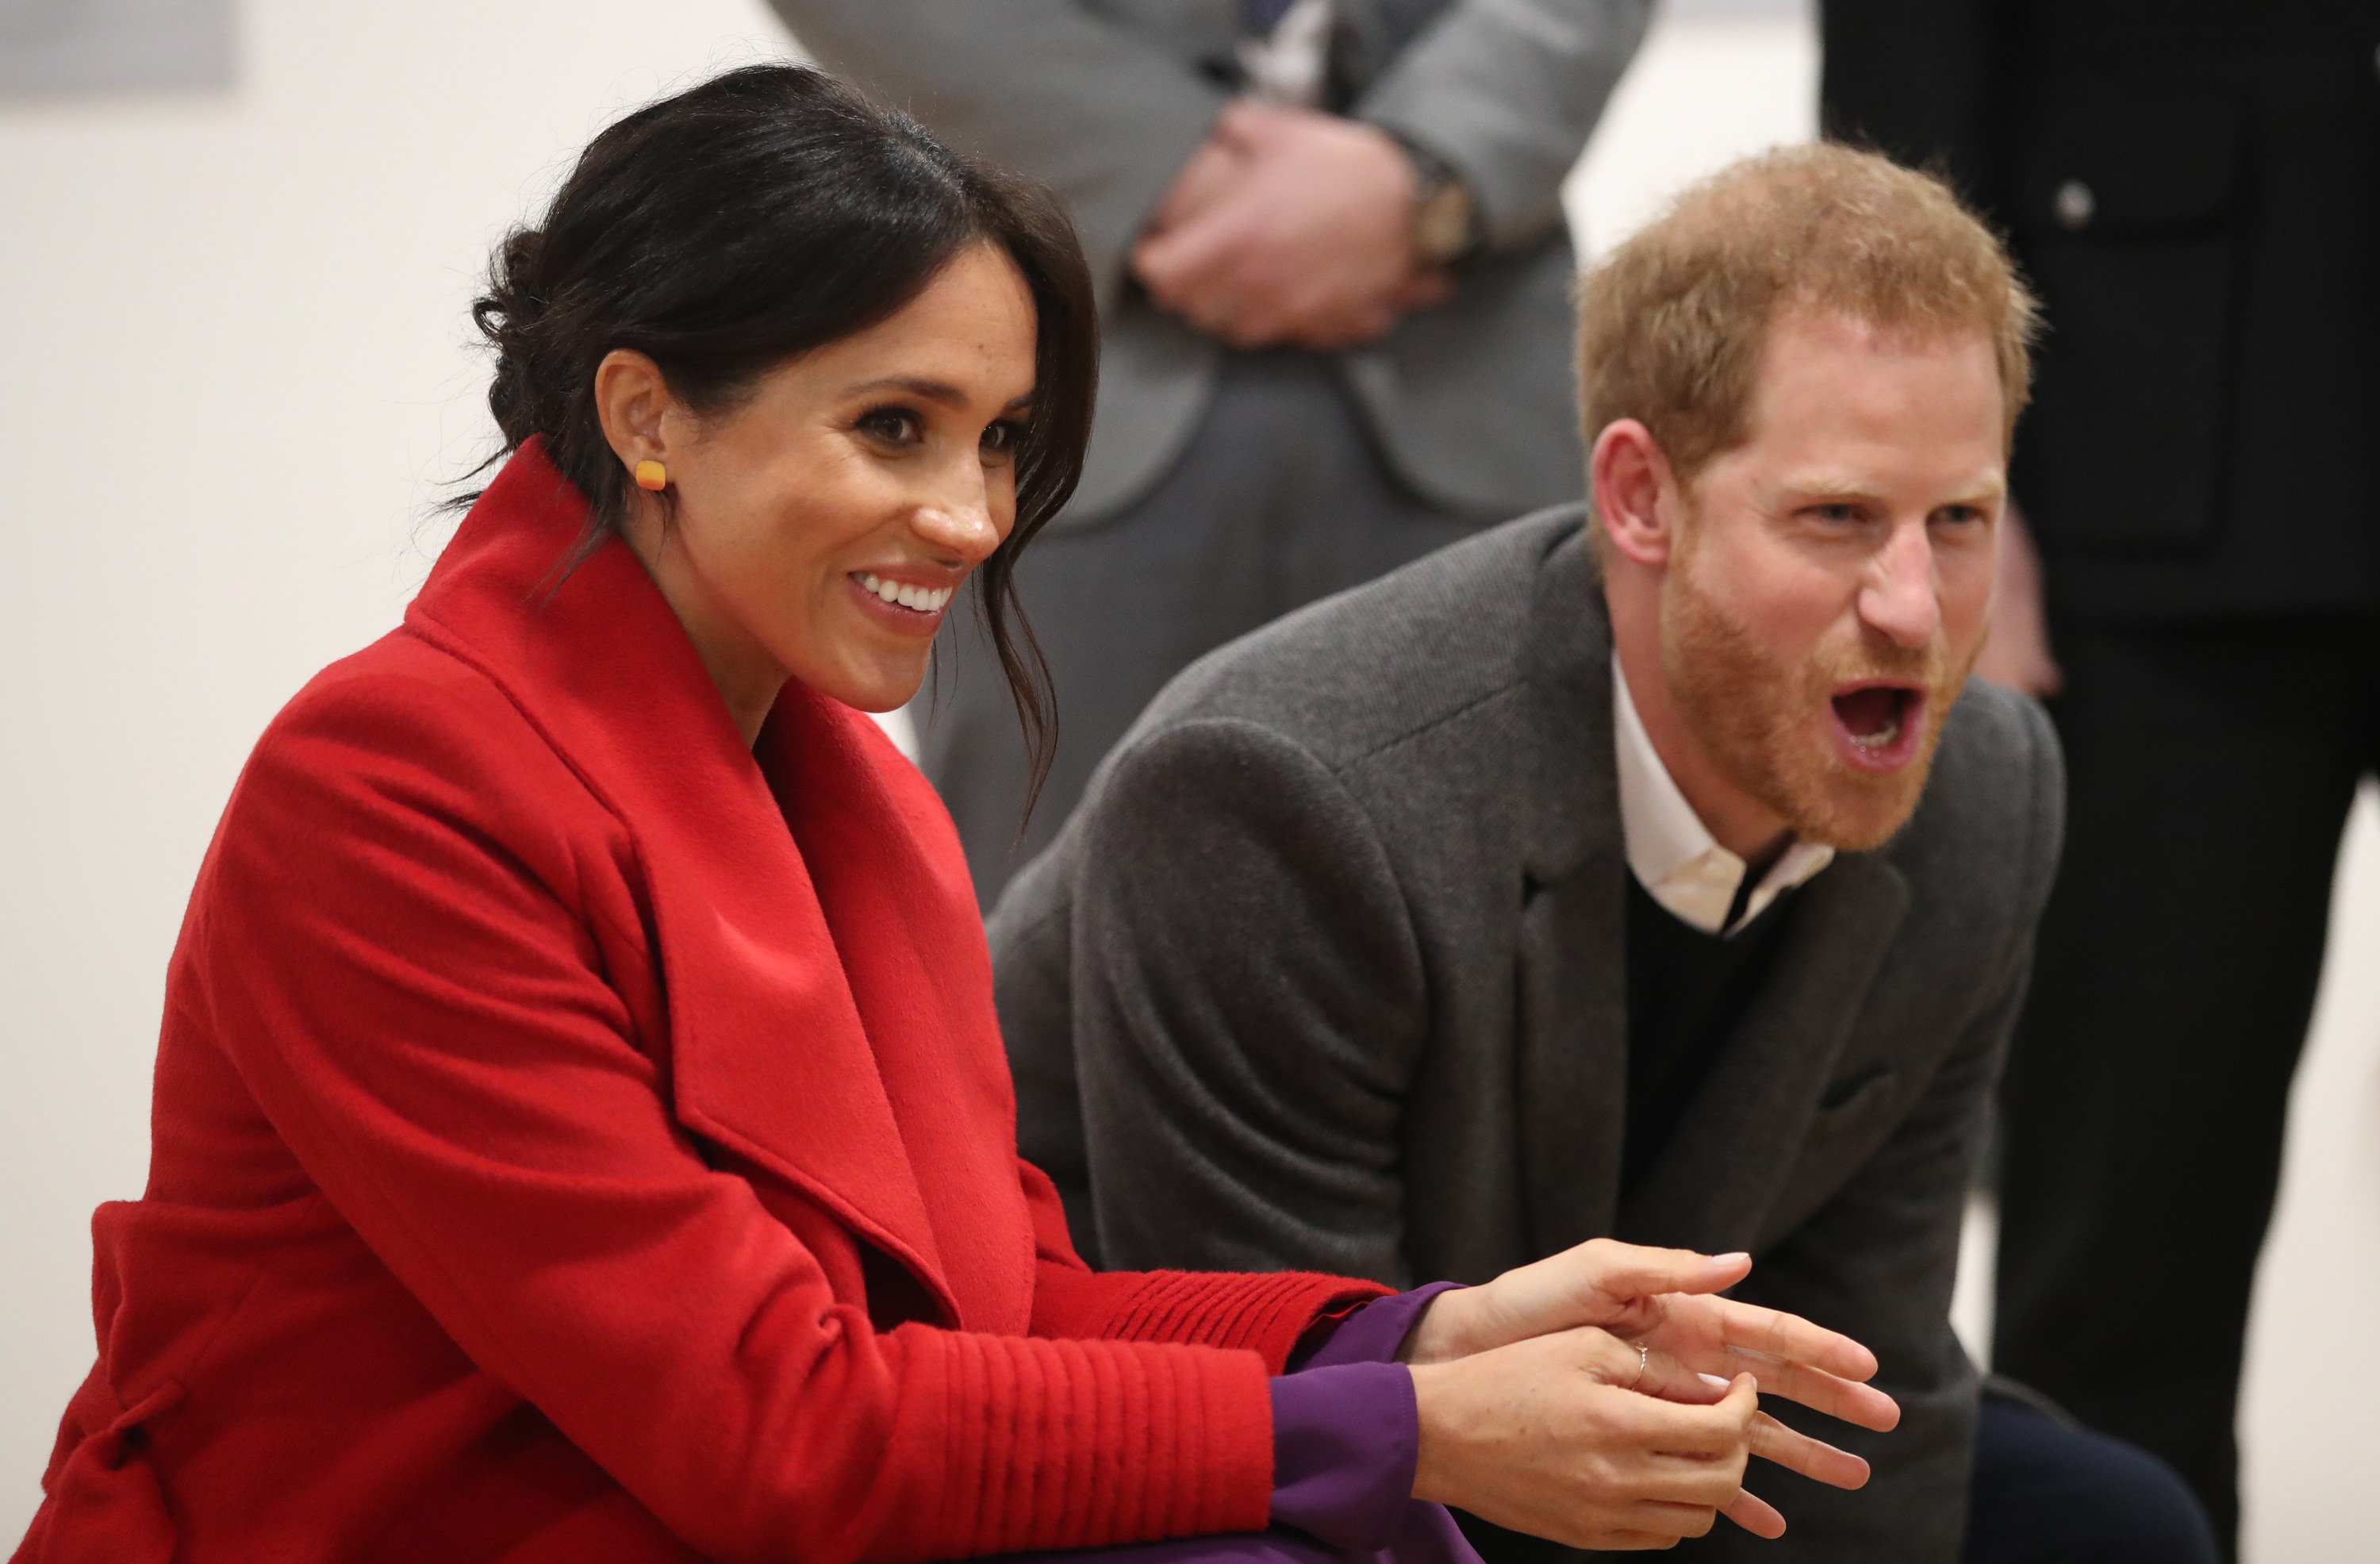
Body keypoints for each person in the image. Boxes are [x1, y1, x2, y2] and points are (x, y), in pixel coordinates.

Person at [10, 67, 1905, 1564]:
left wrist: (1410, 1339)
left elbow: (1013, 1312)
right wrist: (1397, 1428)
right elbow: (783, 1429)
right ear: (646, 414)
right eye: (894, 428)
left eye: (998, 441)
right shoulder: (389, 785)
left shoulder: (846, 777)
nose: (977, 518)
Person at [988, 145, 2217, 1562]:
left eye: (1958, 521)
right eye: (1836, 517)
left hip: (1617, 1409)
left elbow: (1860, 1380)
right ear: (1640, 498)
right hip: (1219, 1439)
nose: (1913, 609)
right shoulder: (1282, 798)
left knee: (2112, 1524)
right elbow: (1320, 1422)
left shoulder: (1986, 785)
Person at [1821, 8, 2380, 1554]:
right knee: (2132, 1233)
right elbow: (1904, 92)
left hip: (2188, 445)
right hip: (2150, 486)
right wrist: (1944, 516)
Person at [768, 0, 1650, 902]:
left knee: (1499, 942)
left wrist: (1424, 172)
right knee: (1044, 971)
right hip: (1059, 380)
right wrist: (1160, 165)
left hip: (1475, 379)